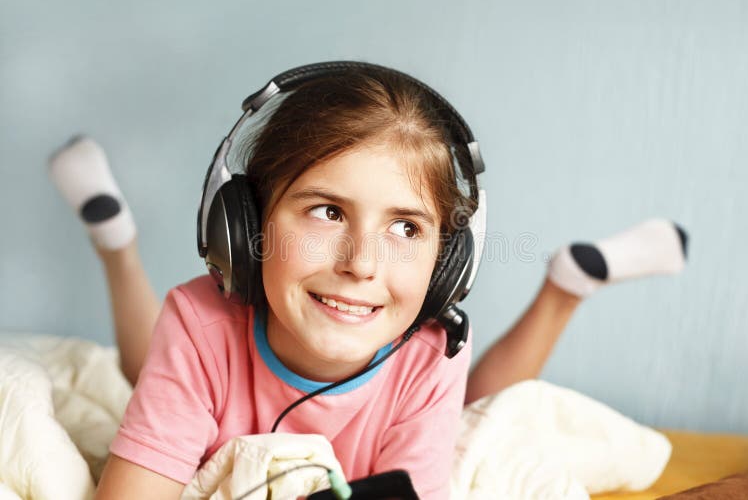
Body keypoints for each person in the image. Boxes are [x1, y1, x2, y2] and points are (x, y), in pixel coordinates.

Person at [48, 64, 688, 499]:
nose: (362, 264)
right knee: (140, 374)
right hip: (196, 332)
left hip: (429, 381)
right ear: (244, 229)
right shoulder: (199, 321)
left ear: (447, 262)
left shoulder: (427, 350)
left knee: (483, 415)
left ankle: (565, 286)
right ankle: (116, 246)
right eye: (327, 212)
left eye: (407, 228)